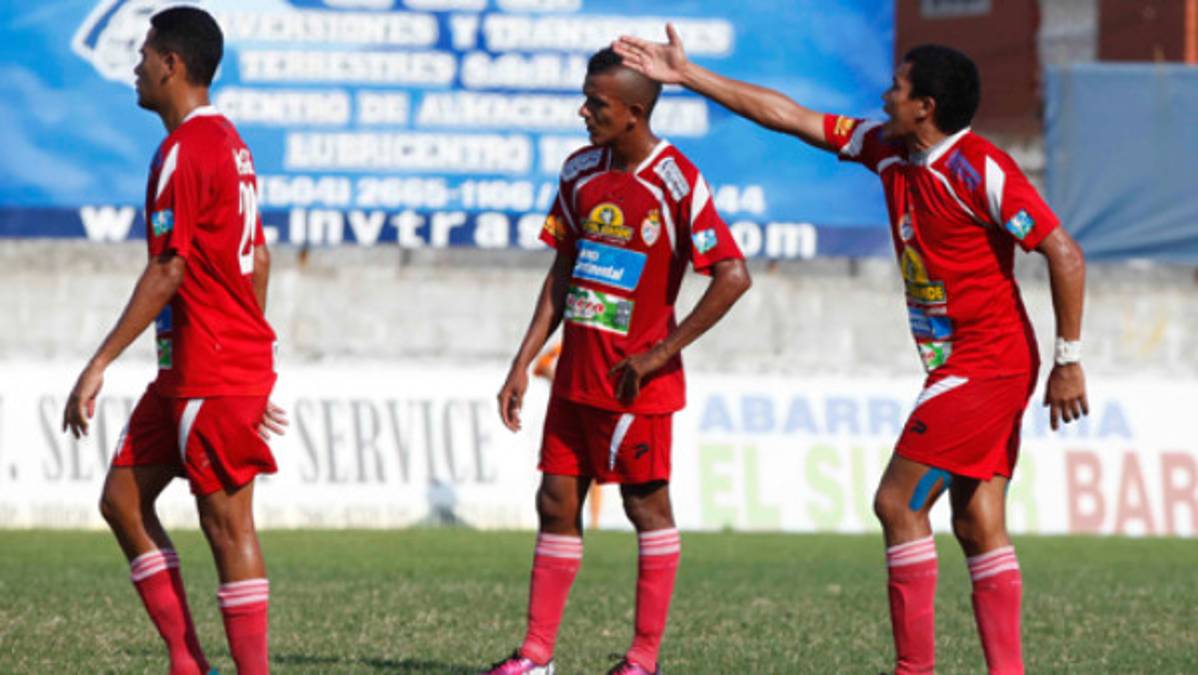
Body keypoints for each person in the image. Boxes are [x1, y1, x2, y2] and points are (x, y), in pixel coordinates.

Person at [615, 29, 1088, 675]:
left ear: (926, 106)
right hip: (961, 362)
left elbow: (1063, 251)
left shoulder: (980, 167)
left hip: (989, 361)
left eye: (897, 85)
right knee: (978, 522)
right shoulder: (887, 149)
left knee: (896, 503)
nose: (884, 93)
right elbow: (791, 116)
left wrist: (1069, 358)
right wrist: (691, 75)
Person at [486, 47, 752, 675]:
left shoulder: (677, 180)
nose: (583, 112)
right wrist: (523, 361)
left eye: (596, 104)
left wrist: (659, 353)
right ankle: (535, 656)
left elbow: (733, 276)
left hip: (638, 388)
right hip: (575, 377)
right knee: (554, 502)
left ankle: (642, 660)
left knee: (646, 508)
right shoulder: (578, 171)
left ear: (634, 112)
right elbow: (562, 270)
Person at [62, 7, 286, 674]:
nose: (135, 65)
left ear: (172, 65)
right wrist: (251, 357)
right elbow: (261, 259)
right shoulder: (231, 144)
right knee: (122, 500)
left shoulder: (186, 150)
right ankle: (188, 663)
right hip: (194, 367)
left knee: (228, 525)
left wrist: (97, 364)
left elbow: (170, 268)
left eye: (145, 53)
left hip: (210, 366)